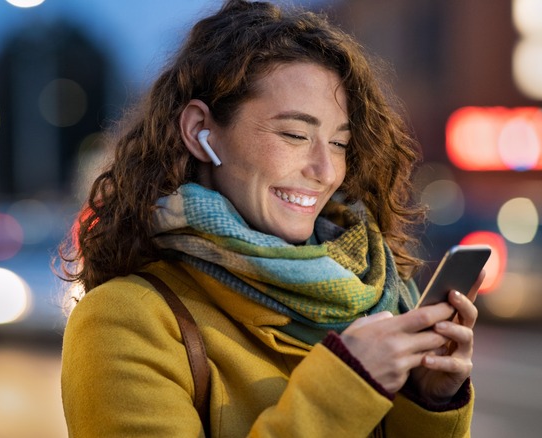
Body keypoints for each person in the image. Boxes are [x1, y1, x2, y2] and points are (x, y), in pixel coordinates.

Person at [59, 1, 483, 436]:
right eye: (294, 135)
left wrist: (428, 399)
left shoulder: (381, 293)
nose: (325, 172)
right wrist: (347, 385)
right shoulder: (123, 320)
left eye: (338, 143)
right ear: (199, 130)